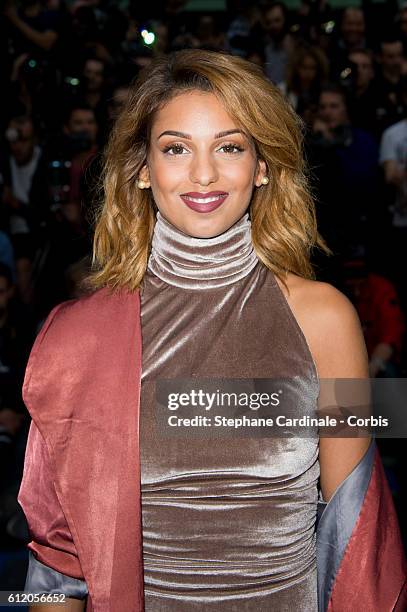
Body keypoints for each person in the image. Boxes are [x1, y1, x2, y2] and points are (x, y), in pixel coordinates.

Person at [17, 49, 406, 612]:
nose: (203, 174)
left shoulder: (323, 318)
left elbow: (355, 537)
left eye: (229, 147)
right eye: (177, 148)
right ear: (144, 168)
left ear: (263, 165)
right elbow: (57, 565)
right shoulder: (77, 338)